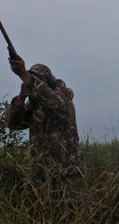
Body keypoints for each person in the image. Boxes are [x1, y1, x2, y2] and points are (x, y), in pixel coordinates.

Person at [5, 56, 85, 187]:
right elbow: (13, 124)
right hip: (42, 177)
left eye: (37, 80)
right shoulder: (35, 108)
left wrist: (24, 75)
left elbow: (53, 102)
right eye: (32, 79)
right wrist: (21, 97)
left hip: (69, 175)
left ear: (48, 82)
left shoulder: (63, 100)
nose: (33, 83)